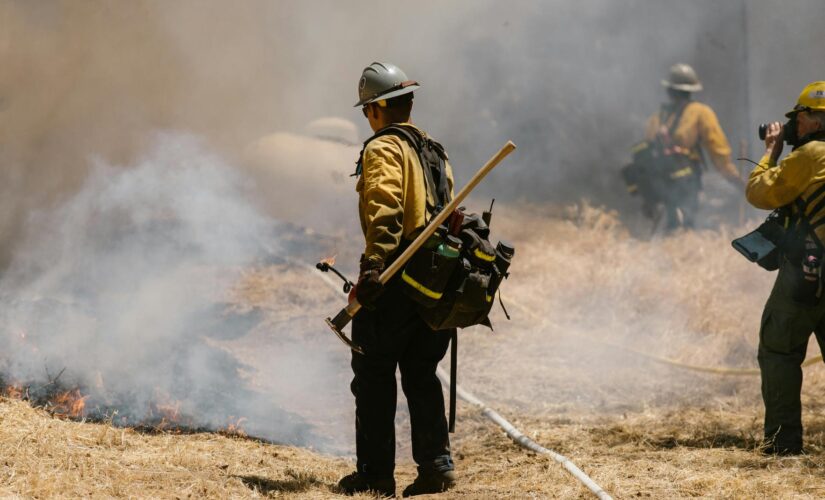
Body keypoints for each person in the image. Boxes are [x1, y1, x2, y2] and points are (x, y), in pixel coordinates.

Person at [337, 62, 457, 497]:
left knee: (372, 375)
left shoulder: (384, 148)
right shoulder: (434, 150)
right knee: (422, 374)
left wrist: (373, 270)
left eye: (367, 110)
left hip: (396, 280)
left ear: (376, 109)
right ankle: (436, 468)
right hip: (434, 284)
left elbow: (385, 207)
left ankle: (374, 477)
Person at [745, 81, 825, 455]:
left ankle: (783, 445)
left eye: (798, 117)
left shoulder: (810, 155)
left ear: (814, 118)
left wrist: (772, 150)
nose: (793, 124)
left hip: (807, 276)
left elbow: (761, 192)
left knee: (779, 351)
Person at [635, 63, 744, 230]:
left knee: (667, 222)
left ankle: (668, 245)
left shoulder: (658, 117)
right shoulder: (701, 112)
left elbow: (647, 147)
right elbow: (717, 147)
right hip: (685, 177)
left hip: (659, 178)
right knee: (687, 221)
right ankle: (683, 245)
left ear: (669, 90)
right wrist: (732, 176)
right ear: (691, 90)